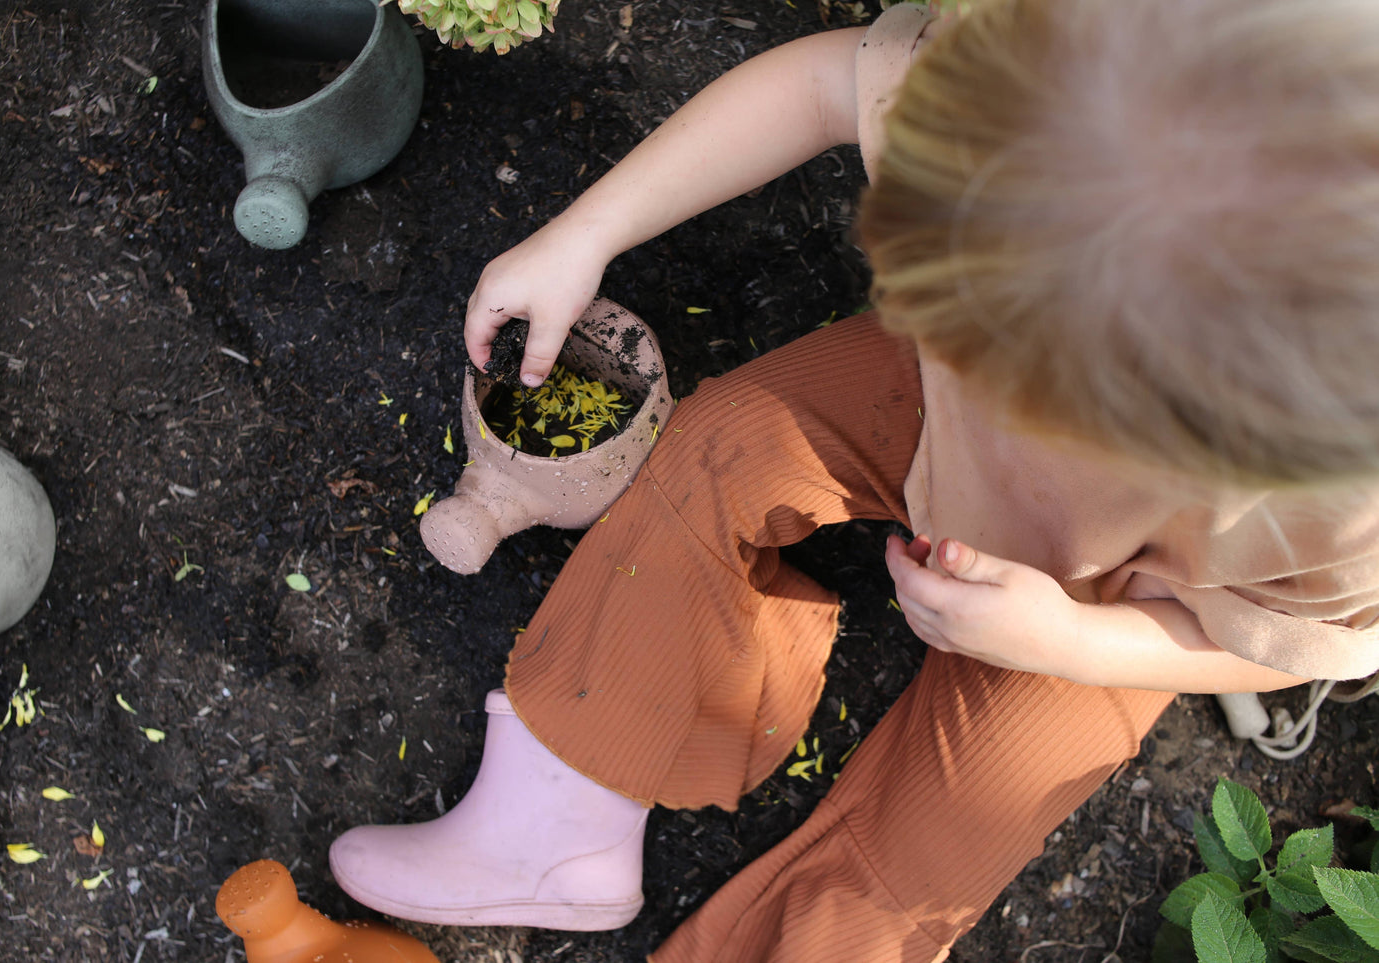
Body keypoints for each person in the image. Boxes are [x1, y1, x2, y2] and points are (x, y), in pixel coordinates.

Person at [328, 0, 1379, 958]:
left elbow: (1284, 644)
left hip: (1120, 607)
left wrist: (1059, 640)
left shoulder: (1347, 497)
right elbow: (827, 85)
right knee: (724, 447)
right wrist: (585, 234)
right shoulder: (1067, 76)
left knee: (917, 860)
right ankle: (562, 816)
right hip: (936, 404)